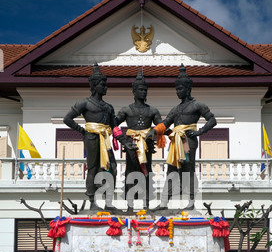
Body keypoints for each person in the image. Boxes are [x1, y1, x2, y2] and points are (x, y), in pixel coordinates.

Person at [147, 64, 217, 210]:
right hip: (175, 143)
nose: (178, 92)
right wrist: (155, 130)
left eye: (181, 89)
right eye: (177, 89)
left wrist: (199, 132)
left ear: (188, 89)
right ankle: (164, 203)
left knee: (188, 169)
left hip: (188, 141)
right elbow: (166, 123)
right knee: (171, 170)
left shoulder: (197, 105)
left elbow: (212, 120)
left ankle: (191, 204)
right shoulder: (176, 109)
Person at [63, 64, 132, 211]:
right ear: (94, 86)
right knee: (93, 169)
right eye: (103, 84)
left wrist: (124, 141)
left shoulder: (109, 107)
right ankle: (93, 201)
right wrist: (82, 131)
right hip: (92, 138)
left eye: (106, 84)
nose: (105, 87)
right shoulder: (84, 103)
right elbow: (67, 119)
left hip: (105, 139)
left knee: (112, 168)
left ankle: (108, 202)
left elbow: (114, 127)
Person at [116, 70, 162, 210]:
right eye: (140, 89)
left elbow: (161, 125)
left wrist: (154, 131)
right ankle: (130, 205)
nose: (143, 92)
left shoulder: (152, 110)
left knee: (146, 172)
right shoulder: (126, 110)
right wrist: (122, 139)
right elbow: (114, 123)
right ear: (134, 91)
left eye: (145, 89)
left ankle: (146, 204)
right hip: (131, 144)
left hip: (146, 144)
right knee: (130, 172)